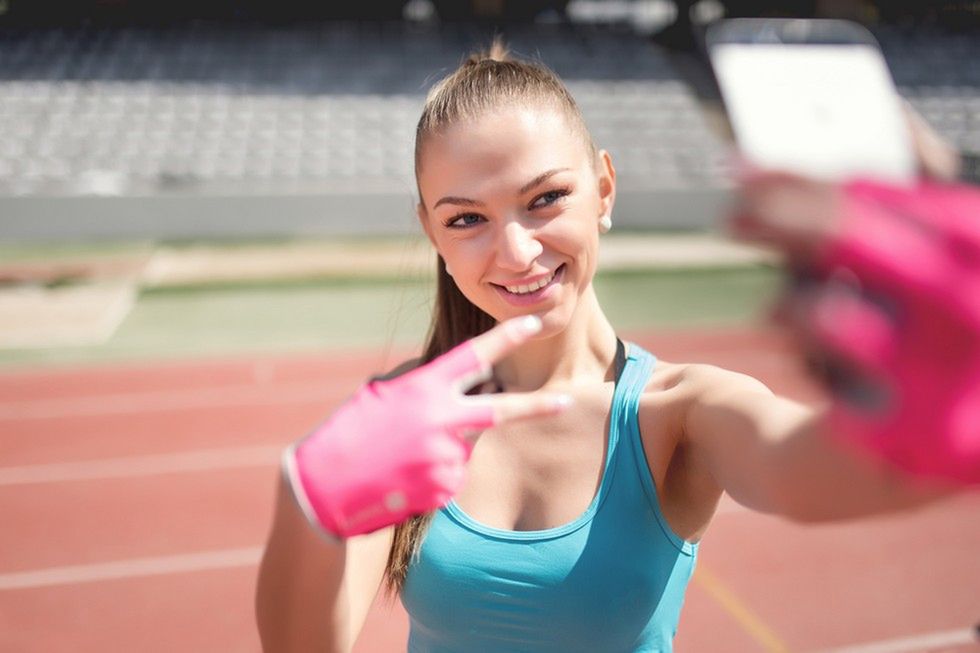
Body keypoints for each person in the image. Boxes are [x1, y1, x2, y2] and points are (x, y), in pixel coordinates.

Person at [255, 42, 973, 652]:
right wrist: (308, 494)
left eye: (545, 198)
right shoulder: (405, 419)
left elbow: (802, 470)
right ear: (432, 233)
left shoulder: (680, 412)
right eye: (467, 217)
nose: (516, 250)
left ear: (603, 186)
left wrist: (950, 396)